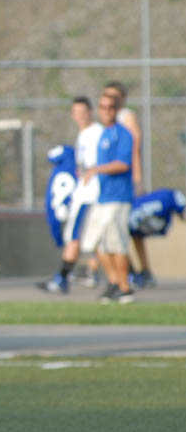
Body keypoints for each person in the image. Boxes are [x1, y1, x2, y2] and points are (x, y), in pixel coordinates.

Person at [38, 97, 103, 294]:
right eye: (76, 112)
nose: (80, 116)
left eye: (83, 111)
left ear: (90, 112)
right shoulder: (83, 134)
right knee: (95, 239)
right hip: (85, 193)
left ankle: (62, 279)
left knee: (74, 236)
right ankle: (98, 273)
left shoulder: (97, 132)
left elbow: (100, 163)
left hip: (90, 194)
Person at [80, 92, 135, 304]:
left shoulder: (123, 134)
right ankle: (113, 283)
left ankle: (125, 288)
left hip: (118, 197)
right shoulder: (103, 134)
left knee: (117, 244)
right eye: (102, 107)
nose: (106, 111)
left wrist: (96, 170)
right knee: (98, 243)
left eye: (110, 107)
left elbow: (123, 164)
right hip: (103, 197)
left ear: (117, 110)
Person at [127, 188, 186, 287]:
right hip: (131, 218)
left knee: (124, 243)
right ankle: (133, 274)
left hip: (135, 217)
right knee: (118, 245)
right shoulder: (133, 212)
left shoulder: (169, 196)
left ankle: (143, 273)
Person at [103, 81, 142, 195]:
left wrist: (137, 178)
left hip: (124, 175)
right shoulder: (109, 119)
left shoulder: (125, 116)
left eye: (114, 96)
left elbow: (135, 147)